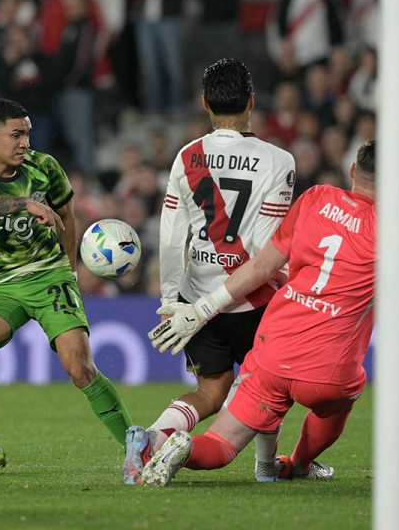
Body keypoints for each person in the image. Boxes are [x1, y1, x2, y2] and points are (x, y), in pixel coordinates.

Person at [136, 110, 399, 485]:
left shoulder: (315, 199)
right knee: (339, 401)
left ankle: (183, 446)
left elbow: (260, 268)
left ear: (352, 171)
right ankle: (298, 464)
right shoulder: (392, 223)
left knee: (221, 446)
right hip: (328, 370)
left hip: (273, 350)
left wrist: (201, 308)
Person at [123, 58, 296, 484]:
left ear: (204, 103)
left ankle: (151, 439)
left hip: (195, 299)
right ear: (252, 100)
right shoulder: (279, 161)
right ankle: (266, 467)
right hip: (254, 300)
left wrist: (171, 301)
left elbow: (171, 236)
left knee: (210, 390)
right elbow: (264, 247)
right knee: (268, 385)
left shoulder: (188, 156)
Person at [0, 98, 132, 469]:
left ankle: (136, 447)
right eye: (17, 135)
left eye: (27, 134)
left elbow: (67, 216)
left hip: (49, 274)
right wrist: (22, 204)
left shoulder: (45, 167)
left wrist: (70, 272)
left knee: (79, 368)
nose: (25, 143)